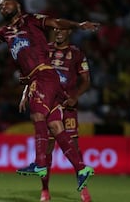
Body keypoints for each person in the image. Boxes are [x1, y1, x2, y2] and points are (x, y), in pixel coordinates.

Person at [0, 0, 99, 192]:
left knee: (37, 115)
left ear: (17, 6)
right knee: (55, 125)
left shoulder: (31, 19)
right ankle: (81, 168)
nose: (3, 7)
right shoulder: (6, 31)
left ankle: (40, 162)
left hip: (43, 75)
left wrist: (78, 25)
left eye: (6, 3)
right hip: (42, 80)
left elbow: (56, 22)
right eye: (0, 6)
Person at [19, 28, 92, 202]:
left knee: (73, 145)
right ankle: (45, 189)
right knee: (48, 147)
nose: (58, 32)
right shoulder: (46, 50)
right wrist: (25, 93)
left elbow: (86, 80)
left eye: (63, 29)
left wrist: (75, 97)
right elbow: (34, 74)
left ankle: (83, 187)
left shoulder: (76, 53)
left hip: (67, 104)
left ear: (69, 32)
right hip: (49, 101)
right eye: (56, 29)